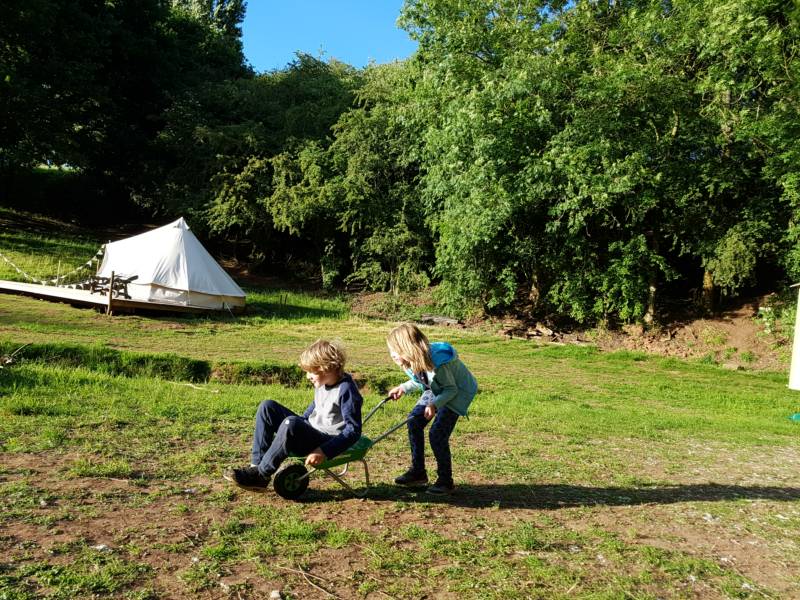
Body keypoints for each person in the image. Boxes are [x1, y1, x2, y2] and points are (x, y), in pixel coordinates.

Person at [224, 339, 363, 492]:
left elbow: (353, 431)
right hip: (312, 432)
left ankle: (262, 474)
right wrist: (299, 426)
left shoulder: (346, 390)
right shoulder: (323, 383)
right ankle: (256, 468)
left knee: (292, 423)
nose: (307, 376)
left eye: (311, 371)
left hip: (326, 440)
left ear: (326, 368)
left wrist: (323, 451)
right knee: (267, 407)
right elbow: (312, 412)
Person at [386, 323, 477, 495]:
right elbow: (421, 381)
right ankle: (418, 471)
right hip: (437, 389)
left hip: (457, 392)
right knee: (414, 422)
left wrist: (434, 405)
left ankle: (445, 481)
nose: (392, 355)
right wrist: (403, 388)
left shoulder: (438, 362)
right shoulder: (412, 361)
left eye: (394, 350)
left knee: (437, 434)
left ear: (407, 348)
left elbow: (451, 389)